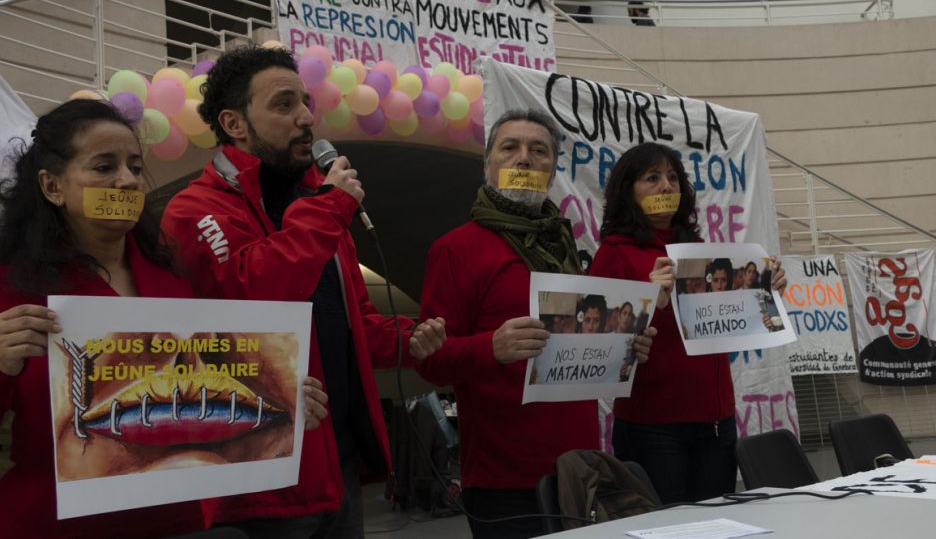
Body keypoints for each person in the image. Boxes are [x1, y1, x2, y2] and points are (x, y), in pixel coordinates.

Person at [160, 44, 446, 538]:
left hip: (337, 467)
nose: (306, 117)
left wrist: (411, 336)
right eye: (283, 104)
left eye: (306, 102)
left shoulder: (317, 205)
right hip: (260, 484)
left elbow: (353, 324)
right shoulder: (194, 211)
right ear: (234, 124)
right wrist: (328, 207)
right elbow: (257, 294)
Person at [416, 109, 657, 539]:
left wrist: (623, 347)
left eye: (539, 150)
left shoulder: (565, 244)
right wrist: (491, 347)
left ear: (552, 169)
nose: (524, 159)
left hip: (579, 468)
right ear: (488, 164)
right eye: (510, 148)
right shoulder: (454, 250)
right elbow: (430, 363)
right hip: (504, 480)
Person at [0, 99, 218, 538]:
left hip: (171, 517)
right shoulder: (12, 285)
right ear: (52, 186)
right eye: (104, 167)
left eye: (135, 168)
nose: (127, 181)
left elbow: (205, 388)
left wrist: (285, 405)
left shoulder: (173, 278)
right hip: (55, 520)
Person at [591, 142, 785, 504]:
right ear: (628, 190)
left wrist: (765, 291)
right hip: (653, 428)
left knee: (715, 523)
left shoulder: (699, 250)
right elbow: (603, 351)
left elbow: (732, 322)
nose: (667, 186)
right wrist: (651, 301)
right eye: (653, 178)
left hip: (718, 423)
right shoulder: (613, 254)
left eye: (673, 178)